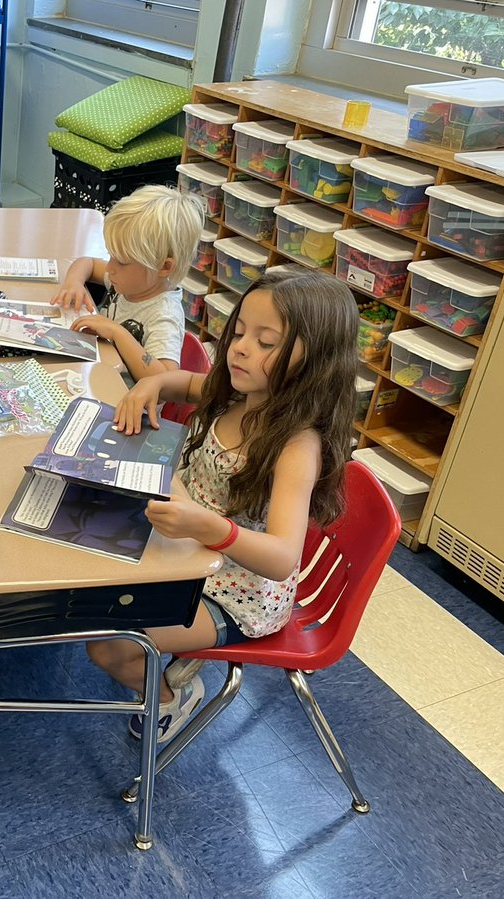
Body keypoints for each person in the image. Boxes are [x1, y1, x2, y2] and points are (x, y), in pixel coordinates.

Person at [88, 269, 358, 744]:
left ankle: (174, 701)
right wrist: (153, 387)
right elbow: (185, 382)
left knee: (110, 646)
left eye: (266, 341)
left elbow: (280, 558)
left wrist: (212, 527)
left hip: (238, 594)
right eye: (239, 332)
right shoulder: (235, 391)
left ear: (314, 360)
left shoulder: (296, 446)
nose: (240, 347)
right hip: (186, 551)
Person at [51, 185, 204, 385]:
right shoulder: (131, 281)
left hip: (126, 405)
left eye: (121, 261)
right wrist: (74, 282)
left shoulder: (164, 317)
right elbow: (86, 262)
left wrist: (118, 333)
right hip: (98, 374)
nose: (109, 268)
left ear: (163, 267)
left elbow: (166, 381)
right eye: (111, 256)